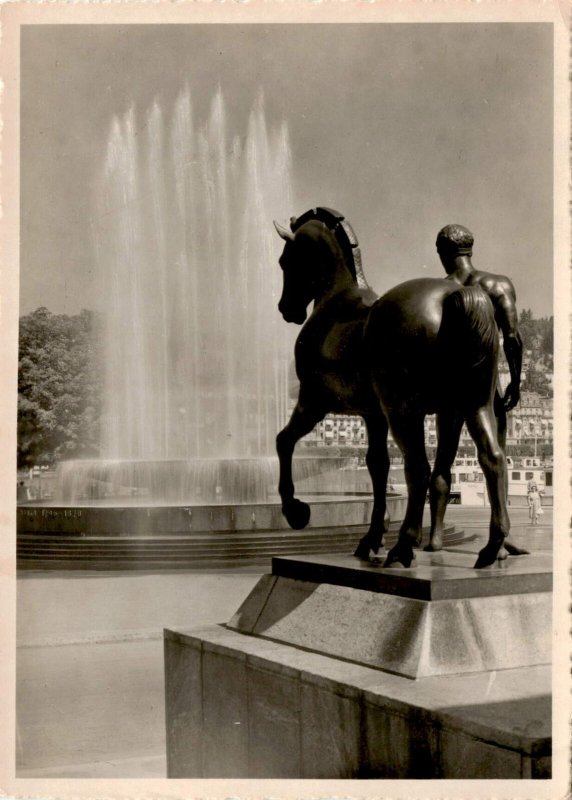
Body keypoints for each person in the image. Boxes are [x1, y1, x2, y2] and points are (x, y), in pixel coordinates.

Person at [436, 223, 527, 554]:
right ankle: (500, 531)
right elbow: (512, 337)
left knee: (443, 458)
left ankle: (435, 533)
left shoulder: (436, 289)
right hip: (486, 385)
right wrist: (516, 381)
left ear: (443, 254)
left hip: (447, 386)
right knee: (494, 455)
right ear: (470, 249)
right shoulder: (496, 284)